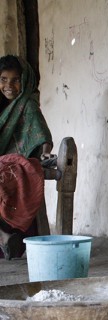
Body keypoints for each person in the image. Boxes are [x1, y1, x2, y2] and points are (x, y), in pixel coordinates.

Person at [0, 55, 53, 259]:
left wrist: (46, 151)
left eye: (15, 79)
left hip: (19, 164)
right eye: (3, 79)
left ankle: (6, 236)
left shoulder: (27, 105)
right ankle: (4, 237)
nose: (9, 85)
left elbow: (42, 136)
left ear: (25, 80)